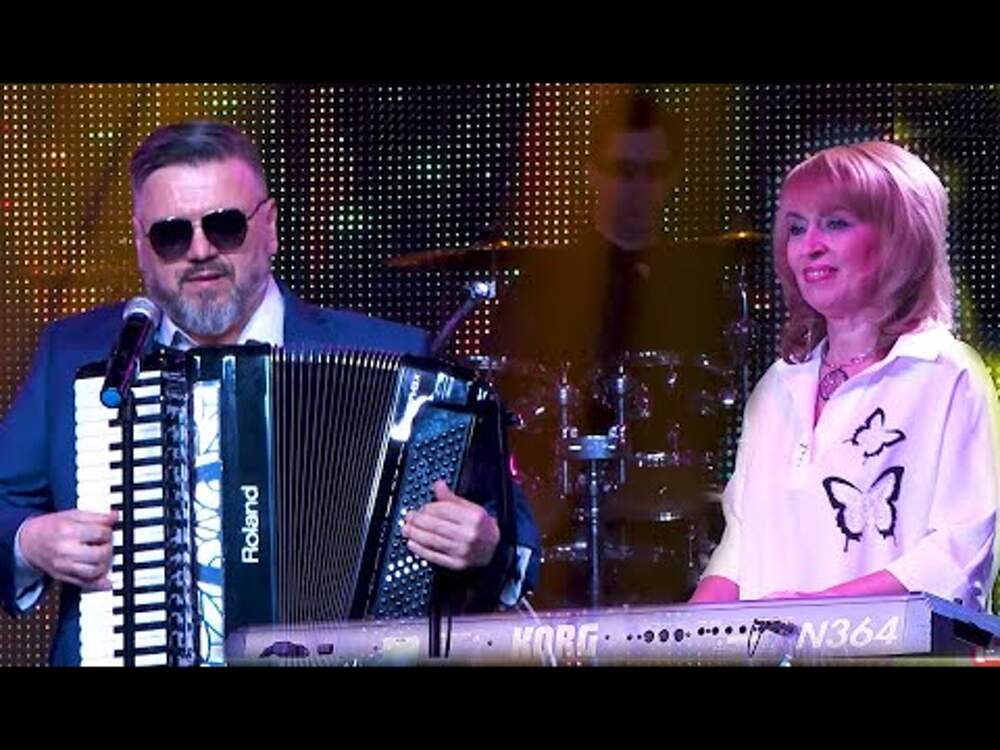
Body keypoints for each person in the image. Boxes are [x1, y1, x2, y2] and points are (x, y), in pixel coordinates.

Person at [0, 120, 540, 665]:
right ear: (141, 246)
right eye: (172, 235)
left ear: (271, 227)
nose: (200, 250)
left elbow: (514, 539)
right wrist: (30, 541)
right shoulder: (74, 353)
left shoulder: (398, 356)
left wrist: (484, 546)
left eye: (225, 226)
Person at [691, 141, 1000, 610]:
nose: (809, 246)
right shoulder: (778, 386)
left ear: (901, 238)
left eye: (835, 223)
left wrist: (816, 613)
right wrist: (676, 632)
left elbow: (957, 557)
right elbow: (743, 547)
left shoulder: (946, 376)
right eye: (797, 228)